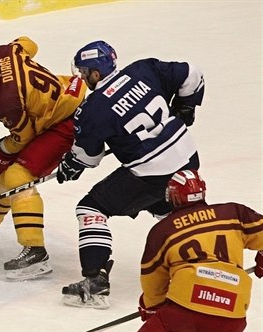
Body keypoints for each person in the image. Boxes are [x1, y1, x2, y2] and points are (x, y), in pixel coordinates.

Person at [56, 40, 205, 308]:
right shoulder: (144, 70)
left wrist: (70, 165)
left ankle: (94, 282)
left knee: (91, 207)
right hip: (187, 157)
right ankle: (197, 266)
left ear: (95, 73)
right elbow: (193, 74)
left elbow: (89, 157)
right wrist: (186, 106)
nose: (82, 77)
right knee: (167, 207)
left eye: (83, 72)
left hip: (152, 171)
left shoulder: (92, 109)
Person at [0, 36, 87, 280]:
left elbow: (23, 137)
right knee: (7, 173)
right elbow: (29, 43)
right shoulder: (4, 52)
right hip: (70, 90)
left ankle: (36, 251)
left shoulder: (6, 103)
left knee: (18, 175)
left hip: (67, 120)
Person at [125, 169, 263, 332]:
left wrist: (152, 308)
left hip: (187, 311)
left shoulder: (163, 230)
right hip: (233, 317)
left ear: (172, 197)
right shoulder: (234, 213)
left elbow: (153, 282)